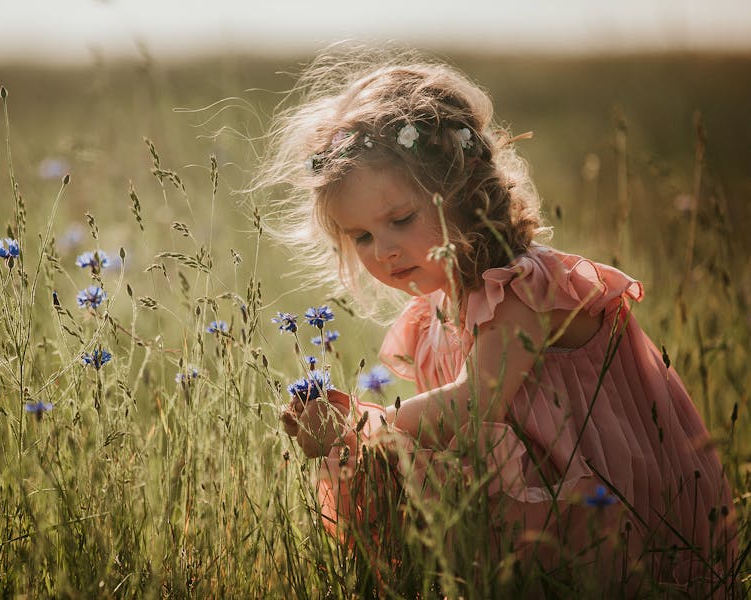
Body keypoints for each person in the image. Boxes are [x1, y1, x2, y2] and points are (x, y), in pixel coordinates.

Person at [260, 49, 738, 597]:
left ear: (463, 191)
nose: (384, 251)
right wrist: (354, 436)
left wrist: (370, 429)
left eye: (400, 220)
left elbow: (474, 404)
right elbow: (453, 441)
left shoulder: (520, 289)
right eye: (363, 237)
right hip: (530, 505)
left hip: (603, 500)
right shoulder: (431, 315)